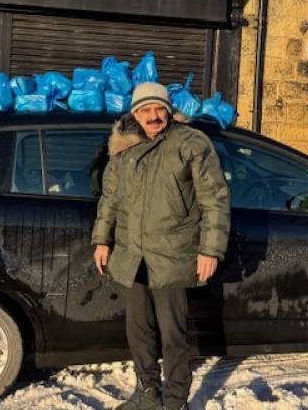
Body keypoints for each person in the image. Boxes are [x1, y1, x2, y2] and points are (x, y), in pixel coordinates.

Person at [91, 82, 231, 410]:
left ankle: (175, 400)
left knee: (173, 334)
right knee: (138, 329)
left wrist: (210, 249)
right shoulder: (123, 146)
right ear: (135, 114)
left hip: (172, 252)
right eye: (145, 110)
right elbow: (109, 198)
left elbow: (215, 198)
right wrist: (101, 239)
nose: (153, 117)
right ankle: (147, 391)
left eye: (159, 109)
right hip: (132, 253)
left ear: (168, 111)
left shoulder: (191, 143)